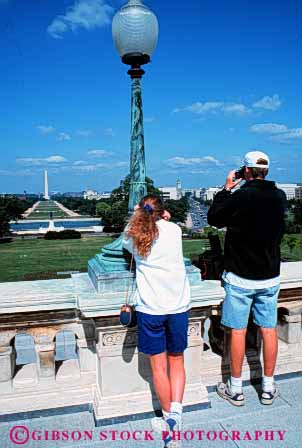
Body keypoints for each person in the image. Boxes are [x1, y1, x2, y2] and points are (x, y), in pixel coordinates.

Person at [207, 151, 286, 407]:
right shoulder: (280, 196)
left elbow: (214, 219)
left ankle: (236, 388)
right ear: (267, 171)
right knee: (268, 329)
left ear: (247, 171)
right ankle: (268, 386)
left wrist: (226, 189)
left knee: (238, 331)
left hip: (240, 276)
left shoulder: (240, 196)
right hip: (269, 274)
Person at [122, 194, 190, 446]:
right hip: (178, 306)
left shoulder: (134, 235)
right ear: (163, 212)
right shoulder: (174, 230)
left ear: (140, 211)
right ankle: (177, 417)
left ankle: (168, 421)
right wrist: (164, 218)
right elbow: (165, 224)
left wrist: (139, 215)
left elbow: (127, 237)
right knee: (177, 362)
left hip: (151, 309)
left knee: (159, 368)